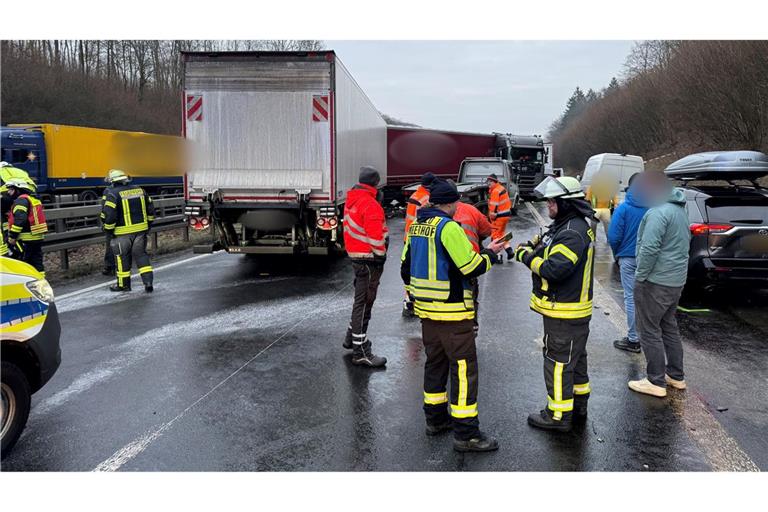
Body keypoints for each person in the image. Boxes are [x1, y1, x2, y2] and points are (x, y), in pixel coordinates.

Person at [401, 178, 504, 452]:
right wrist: (490, 255)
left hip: (426, 312)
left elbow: (404, 267)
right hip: (453, 312)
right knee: (462, 370)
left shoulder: (417, 227)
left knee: (435, 364)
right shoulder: (448, 228)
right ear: (451, 203)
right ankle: (466, 434)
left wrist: (416, 296)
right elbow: (470, 266)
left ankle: (435, 420)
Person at [513, 176, 596, 432]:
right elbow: (548, 245)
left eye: (552, 201)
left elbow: (554, 269)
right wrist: (534, 246)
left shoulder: (572, 233)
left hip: (565, 311)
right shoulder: (565, 226)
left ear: (566, 204)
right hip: (567, 311)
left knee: (558, 363)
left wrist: (526, 257)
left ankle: (558, 416)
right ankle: (578, 405)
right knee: (575, 360)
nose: (548, 205)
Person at [628, 173, 690, 398]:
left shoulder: (658, 212)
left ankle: (655, 381)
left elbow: (649, 248)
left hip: (655, 282)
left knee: (649, 330)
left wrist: (640, 277)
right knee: (669, 326)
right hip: (675, 282)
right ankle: (676, 375)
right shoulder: (679, 210)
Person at [342, 166, 389, 368]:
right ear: (375, 183)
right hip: (369, 260)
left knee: (359, 301)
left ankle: (351, 339)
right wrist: (381, 256)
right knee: (364, 304)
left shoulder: (353, 199)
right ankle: (360, 351)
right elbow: (375, 237)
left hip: (356, 256)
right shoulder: (370, 204)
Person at [607, 173, 648, 353]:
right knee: (647, 298)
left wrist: (617, 254)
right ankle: (649, 337)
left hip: (628, 258)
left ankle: (633, 339)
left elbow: (614, 236)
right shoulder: (655, 207)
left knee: (631, 298)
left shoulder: (623, 208)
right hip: (649, 259)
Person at [100, 169, 155, 293]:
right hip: (141, 231)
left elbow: (109, 214)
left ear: (113, 182)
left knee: (122, 258)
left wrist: (108, 230)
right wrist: (148, 225)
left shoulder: (112, 194)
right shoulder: (140, 190)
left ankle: (124, 285)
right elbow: (151, 209)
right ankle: (148, 282)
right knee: (141, 256)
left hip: (121, 233)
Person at [453, 200, 493, 332]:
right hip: (470, 261)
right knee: (470, 294)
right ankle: (472, 325)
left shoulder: (435, 214)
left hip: (445, 265)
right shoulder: (471, 210)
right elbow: (487, 230)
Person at [402, 172, 436, 317]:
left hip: (409, 238)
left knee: (410, 272)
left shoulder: (415, 195)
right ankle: (414, 301)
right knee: (419, 272)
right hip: (418, 238)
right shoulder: (426, 199)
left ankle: (408, 301)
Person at [4, 178, 48, 275]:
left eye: (11, 189)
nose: (8, 192)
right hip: (36, 237)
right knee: (37, 263)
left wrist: (12, 236)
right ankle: (40, 282)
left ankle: (26, 285)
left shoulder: (21, 201)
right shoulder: (32, 199)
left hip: (25, 238)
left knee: (24, 263)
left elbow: (20, 220)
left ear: (17, 189)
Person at [486, 174, 514, 261]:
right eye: (488, 181)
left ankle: (498, 257)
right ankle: (509, 250)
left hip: (498, 217)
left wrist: (491, 218)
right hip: (505, 216)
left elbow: (493, 208)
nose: (488, 183)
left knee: (495, 236)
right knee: (501, 235)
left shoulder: (495, 191)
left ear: (495, 182)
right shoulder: (500, 188)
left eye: (490, 181)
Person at [585, 173, 619, 239]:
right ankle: (606, 239)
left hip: (599, 210)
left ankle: (594, 238)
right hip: (600, 209)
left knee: (595, 225)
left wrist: (615, 203)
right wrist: (615, 204)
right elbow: (588, 198)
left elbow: (587, 199)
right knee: (606, 226)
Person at [101, 189, 117, 276]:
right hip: (126, 224)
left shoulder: (108, 191)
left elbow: (105, 209)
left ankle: (110, 267)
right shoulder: (129, 189)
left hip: (112, 224)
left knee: (110, 245)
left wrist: (104, 223)